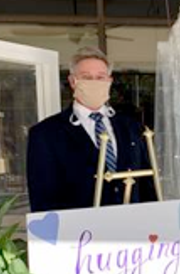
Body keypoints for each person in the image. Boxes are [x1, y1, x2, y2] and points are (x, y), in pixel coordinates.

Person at [26, 47, 157, 212]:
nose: (94, 82)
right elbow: (43, 198)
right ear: (73, 81)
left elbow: (148, 185)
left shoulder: (133, 127)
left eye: (100, 77)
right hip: (80, 233)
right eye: (86, 77)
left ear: (109, 80)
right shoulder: (45, 134)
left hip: (133, 229)